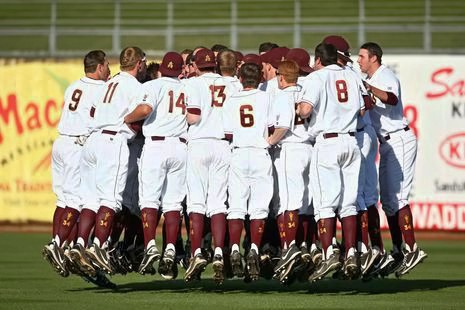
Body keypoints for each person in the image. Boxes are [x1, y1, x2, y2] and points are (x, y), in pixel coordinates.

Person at [358, 42, 427, 277]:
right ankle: (398, 249)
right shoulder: (372, 77)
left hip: (400, 139)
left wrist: (368, 87)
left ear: (374, 58)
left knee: (398, 198)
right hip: (386, 143)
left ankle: (412, 248)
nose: (359, 60)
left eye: (362, 56)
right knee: (387, 202)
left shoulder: (384, 75)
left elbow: (391, 99)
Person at [298, 43, 366, 282]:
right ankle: (350, 253)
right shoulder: (351, 75)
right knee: (348, 204)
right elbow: (362, 110)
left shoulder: (316, 77)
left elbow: (305, 110)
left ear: (318, 58)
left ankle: (329, 253)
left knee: (325, 204)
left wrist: (299, 108)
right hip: (351, 140)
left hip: (327, 142)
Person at [42, 50, 110, 277]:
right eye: (107, 65)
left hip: (61, 142)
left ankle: (59, 246)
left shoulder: (73, 85)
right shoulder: (101, 89)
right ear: (99, 67)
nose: (108, 69)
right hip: (76, 145)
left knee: (62, 199)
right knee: (77, 200)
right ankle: (58, 245)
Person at [123, 51, 188, 279]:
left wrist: (126, 118)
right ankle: (170, 249)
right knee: (173, 203)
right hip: (180, 146)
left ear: (161, 68)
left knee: (149, 199)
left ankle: (150, 246)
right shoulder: (186, 87)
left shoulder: (153, 85)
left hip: (156, 145)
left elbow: (145, 110)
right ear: (180, 70)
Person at [84, 46, 147, 275]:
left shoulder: (108, 83)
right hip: (114, 139)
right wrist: (126, 119)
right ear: (139, 63)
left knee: (91, 199)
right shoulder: (135, 85)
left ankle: (83, 244)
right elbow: (144, 109)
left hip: (93, 140)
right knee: (111, 200)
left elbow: (90, 111)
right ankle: (98, 246)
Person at [323, 35, 382, 277]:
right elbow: (367, 101)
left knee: (358, 197)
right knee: (356, 197)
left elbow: (368, 103)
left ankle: (367, 250)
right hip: (356, 134)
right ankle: (362, 249)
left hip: (358, 133)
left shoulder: (344, 72)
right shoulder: (349, 72)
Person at [183, 48, 232, 284]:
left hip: (200, 143)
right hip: (223, 145)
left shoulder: (193, 83)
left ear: (197, 65)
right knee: (218, 202)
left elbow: (193, 116)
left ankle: (196, 253)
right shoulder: (230, 84)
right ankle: (220, 252)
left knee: (196, 202)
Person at [223, 62, 275, 282]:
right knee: (259, 208)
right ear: (260, 78)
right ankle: (253, 247)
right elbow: (272, 127)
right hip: (260, 151)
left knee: (236, 206)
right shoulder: (266, 97)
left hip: (239, 151)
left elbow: (227, 134)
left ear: (241, 78)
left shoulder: (231, 99)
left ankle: (234, 247)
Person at [267, 60, 314, 284]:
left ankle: (289, 247)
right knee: (305, 202)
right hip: (310, 147)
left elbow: (283, 126)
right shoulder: (305, 92)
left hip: (290, 149)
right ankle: (303, 245)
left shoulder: (282, 96)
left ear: (281, 77)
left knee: (287, 202)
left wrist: (268, 142)